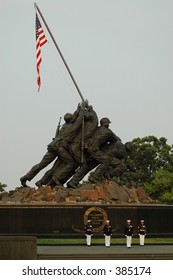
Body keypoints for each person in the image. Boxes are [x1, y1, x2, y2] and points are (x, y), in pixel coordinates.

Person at [20, 103, 86, 188]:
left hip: (52, 146)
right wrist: (82, 109)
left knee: (42, 164)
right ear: (72, 120)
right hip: (60, 148)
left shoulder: (65, 125)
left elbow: (74, 116)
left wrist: (78, 109)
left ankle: (26, 177)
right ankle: (57, 178)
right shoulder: (73, 127)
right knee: (71, 163)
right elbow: (80, 118)